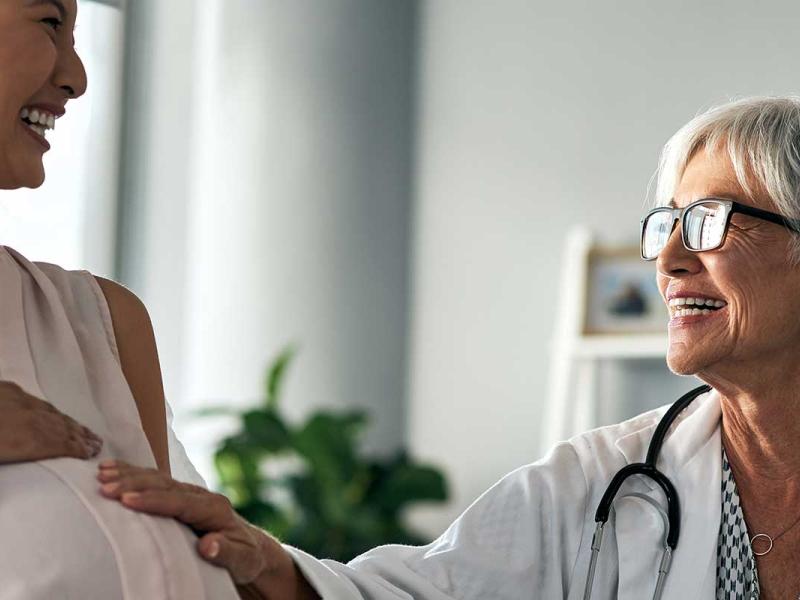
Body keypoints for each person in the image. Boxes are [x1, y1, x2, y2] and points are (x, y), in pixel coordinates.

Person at [4, 5, 800, 600]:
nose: (665, 257)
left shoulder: (91, 328)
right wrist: (269, 562)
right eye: (663, 224)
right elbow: (415, 592)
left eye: (708, 222)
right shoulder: (602, 484)